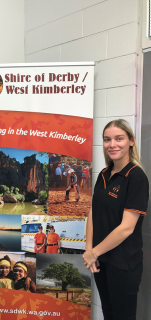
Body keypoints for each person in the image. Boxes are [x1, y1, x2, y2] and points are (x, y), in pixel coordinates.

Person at [83, 119, 149, 320]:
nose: (112, 144)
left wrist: (93, 252)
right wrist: (88, 250)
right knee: (108, 313)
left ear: (131, 141)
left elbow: (127, 228)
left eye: (119, 138)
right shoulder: (103, 174)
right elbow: (93, 213)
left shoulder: (136, 177)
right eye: (107, 139)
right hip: (101, 260)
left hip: (123, 263)